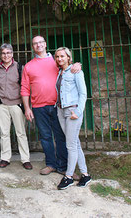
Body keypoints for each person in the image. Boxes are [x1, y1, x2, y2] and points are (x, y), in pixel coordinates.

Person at [21, 35, 81, 177]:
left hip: (57, 106)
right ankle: (50, 164)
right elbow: (24, 88)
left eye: (40, 42)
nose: (38, 45)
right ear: (33, 46)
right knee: (45, 136)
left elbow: (69, 66)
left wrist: (77, 65)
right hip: (38, 107)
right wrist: (27, 108)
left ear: (45, 44)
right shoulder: (28, 66)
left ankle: (63, 166)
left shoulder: (56, 62)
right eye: (35, 43)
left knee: (60, 136)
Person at [54, 47, 92, 189]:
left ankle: (68, 176)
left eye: (62, 56)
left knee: (70, 145)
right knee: (74, 143)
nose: (60, 59)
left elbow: (83, 93)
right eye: (57, 56)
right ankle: (85, 174)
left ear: (68, 57)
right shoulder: (59, 72)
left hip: (72, 111)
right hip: (61, 110)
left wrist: (78, 111)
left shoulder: (76, 71)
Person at [0, 43, 32, 170]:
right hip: (1, 104)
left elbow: (26, 86)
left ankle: (25, 159)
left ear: (12, 54)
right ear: (0, 55)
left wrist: (27, 106)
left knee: (21, 133)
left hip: (17, 104)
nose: (6, 55)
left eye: (8, 53)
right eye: (3, 53)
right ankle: (5, 158)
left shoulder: (20, 67)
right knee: (4, 133)